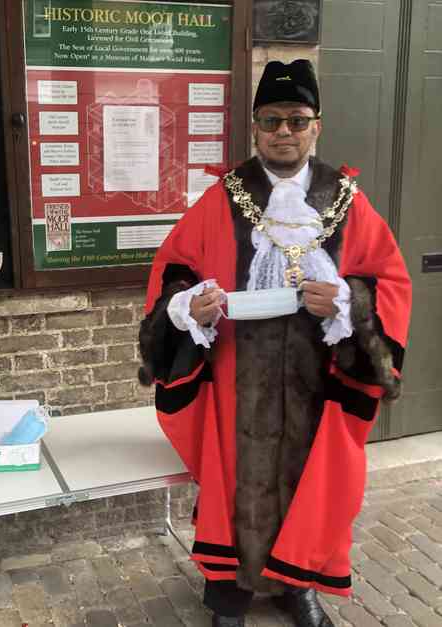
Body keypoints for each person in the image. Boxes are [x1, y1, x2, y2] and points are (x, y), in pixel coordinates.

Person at [138, 59, 412, 627]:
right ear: (255, 129)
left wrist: (347, 301)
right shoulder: (222, 199)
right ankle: (229, 595)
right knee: (235, 481)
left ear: (317, 126)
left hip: (319, 376)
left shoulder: (348, 201)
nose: (283, 132)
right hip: (238, 376)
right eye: (271, 121)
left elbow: (391, 281)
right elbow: (174, 271)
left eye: (296, 120)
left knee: (312, 479)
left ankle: (297, 585)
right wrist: (191, 305)